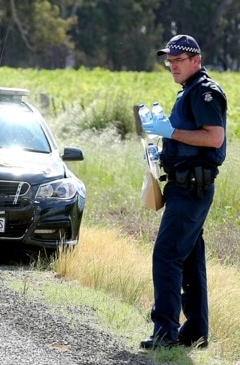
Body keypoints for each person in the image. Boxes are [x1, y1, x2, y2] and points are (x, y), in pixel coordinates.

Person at [141, 34, 227, 350]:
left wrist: (171, 132)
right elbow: (186, 139)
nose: (173, 65)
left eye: (179, 60)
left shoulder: (205, 93)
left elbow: (214, 138)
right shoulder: (189, 92)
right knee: (190, 260)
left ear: (196, 60)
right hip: (184, 185)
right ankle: (196, 333)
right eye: (170, 60)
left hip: (192, 188)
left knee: (166, 255)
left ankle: (165, 332)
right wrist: (162, 149)